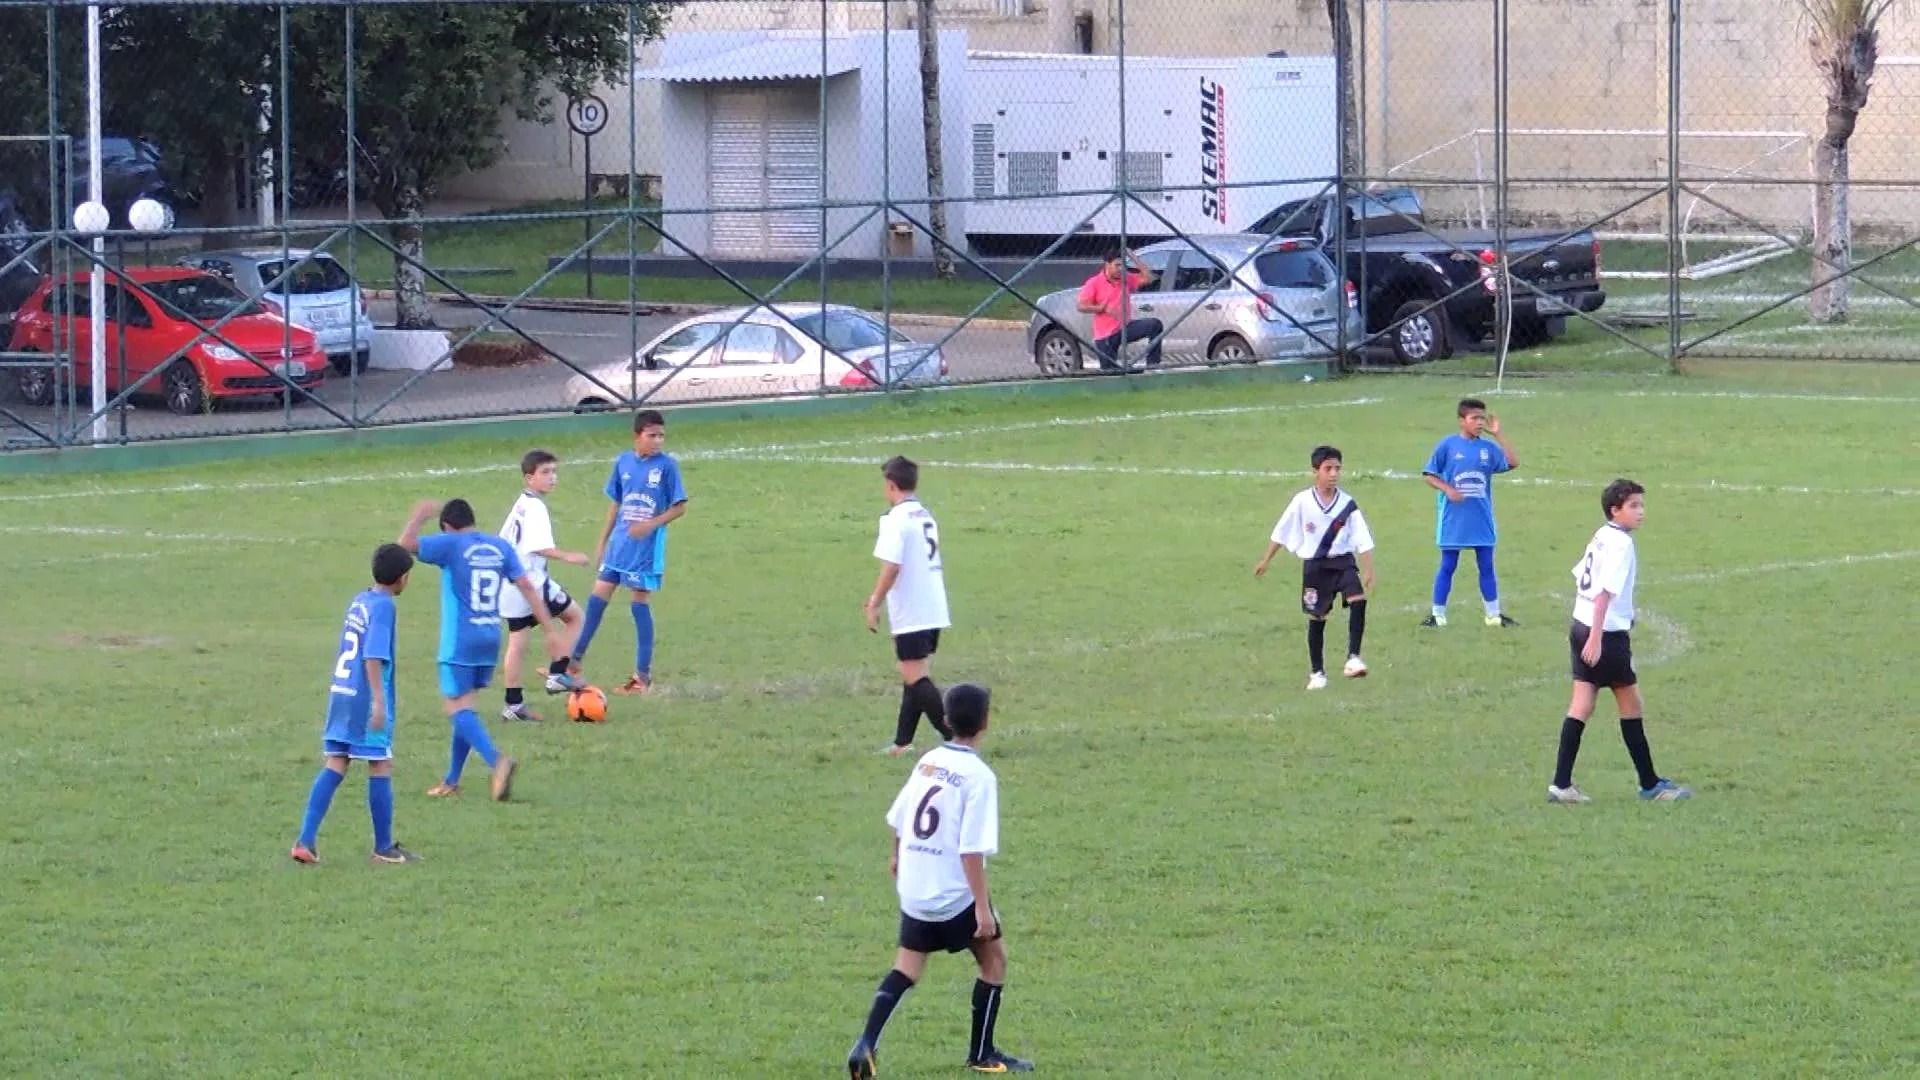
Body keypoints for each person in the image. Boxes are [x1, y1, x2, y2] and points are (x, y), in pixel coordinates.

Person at [845, 684, 1033, 1078]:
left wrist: (898, 855)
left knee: (907, 969)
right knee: (994, 960)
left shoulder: (928, 760)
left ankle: (866, 1044)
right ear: (985, 723)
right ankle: (981, 1053)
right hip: (951, 897)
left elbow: (899, 815)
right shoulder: (979, 777)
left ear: (945, 721)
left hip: (915, 890)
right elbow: (971, 850)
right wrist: (982, 909)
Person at [400, 498, 554, 802]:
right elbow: (526, 585)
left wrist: (418, 516)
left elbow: (405, 544)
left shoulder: (451, 544)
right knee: (465, 707)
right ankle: (451, 780)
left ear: (447, 526)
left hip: (460, 640)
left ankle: (497, 761)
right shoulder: (499, 547)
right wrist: (550, 629)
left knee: (455, 708)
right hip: (490, 637)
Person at [1549, 479, 1693, 803]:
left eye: (1642, 505)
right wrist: (1598, 639)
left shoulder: (1602, 534)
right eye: (1634, 506)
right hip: (1606, 635)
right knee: (1632, 705)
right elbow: (1604, 593)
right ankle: (1650, 784)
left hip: (1579, 625)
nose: (1641, 512)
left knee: (1581, 705)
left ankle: (1561, 784)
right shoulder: (1622, 545)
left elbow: (1581, 578)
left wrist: (1586, 631)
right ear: (1615, 510)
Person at [291, 542, 420, 865]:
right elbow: (373, 654)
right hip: (364, 699)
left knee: (336, 761)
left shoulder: (360, 600)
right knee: (380, 763)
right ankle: (383, 847)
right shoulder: (384, 607)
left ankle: (305, 841)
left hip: (341, 693)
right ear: (403, 578)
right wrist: (379, 700)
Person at [570, 409, 689, 697]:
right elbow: (615, 504)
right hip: (619, 547)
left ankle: (642, 676)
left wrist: (650, 524)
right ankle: (571, 664)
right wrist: (602, 542)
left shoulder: (667, 467)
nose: (658, 441)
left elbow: (680, 507)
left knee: (639, 605)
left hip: (645, 551)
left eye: (661, 436)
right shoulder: (623, 462)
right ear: (638, 436)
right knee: (597, 601)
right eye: (652, 436)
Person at [1254, 445, 1376, 690]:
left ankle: (1353, 657)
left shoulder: (1348, 504)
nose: (1333, 474)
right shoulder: (1301, 501)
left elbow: (1362, 536)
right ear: (1315, 471)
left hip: (1343, 562)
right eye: (1328, 468)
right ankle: (1317, 672)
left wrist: (1368, 568)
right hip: (1316, 567)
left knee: (1358, 599)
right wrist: (1266, 559)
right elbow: (1282, 530)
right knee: (1318, 616)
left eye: (1337, 469)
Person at [865, 456, 952, 756]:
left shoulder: (896, 519)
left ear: (891, 485)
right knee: (913, 675)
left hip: (913, 609)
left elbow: (892, 566)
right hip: (932, 606)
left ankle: (955, 736)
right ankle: (902, 743)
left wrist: (874, 601)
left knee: (916, 677)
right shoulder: (925, 515)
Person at [498, 449, 589, 722]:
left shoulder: (521, 504)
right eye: (545, 473)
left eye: (554, 472)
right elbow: (538, 547)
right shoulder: (536, 507)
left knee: (517, 643)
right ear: (529, 478)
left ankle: (513, 705)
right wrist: (569, 556)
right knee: (575, 617)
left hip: (510, 583)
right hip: (531, 583)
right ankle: (558, 674)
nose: (553, 478)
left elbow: (503, 541)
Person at [1421, 397, 1520, 628]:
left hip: (1481, 518)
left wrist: (1498, 435)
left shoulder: (1488, 448)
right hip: (1454, 519)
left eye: (1482, 419)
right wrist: (1448, 490)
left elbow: (1513, 462)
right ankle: (1438, 615)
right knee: (1448, 565)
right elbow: (1428, 474)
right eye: (1474, 418)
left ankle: (1493, 615)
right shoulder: (1447, 445)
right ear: (1461, 421)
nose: (1479, 423)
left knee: (1486, 566)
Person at [1076, 247, 1163, 372]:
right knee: (1111, 373)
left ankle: (1153, 366)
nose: (1120, 269)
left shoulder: (1125, 278)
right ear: (1107, 264)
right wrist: (1102, 308)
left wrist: (1133, 257)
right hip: (1106, 335)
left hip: (1124, 327)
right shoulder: (1094, 283)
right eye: (1117, 265)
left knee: (1154, 325)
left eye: (1123, 265)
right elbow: (1081, 306)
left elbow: (1149, 277)